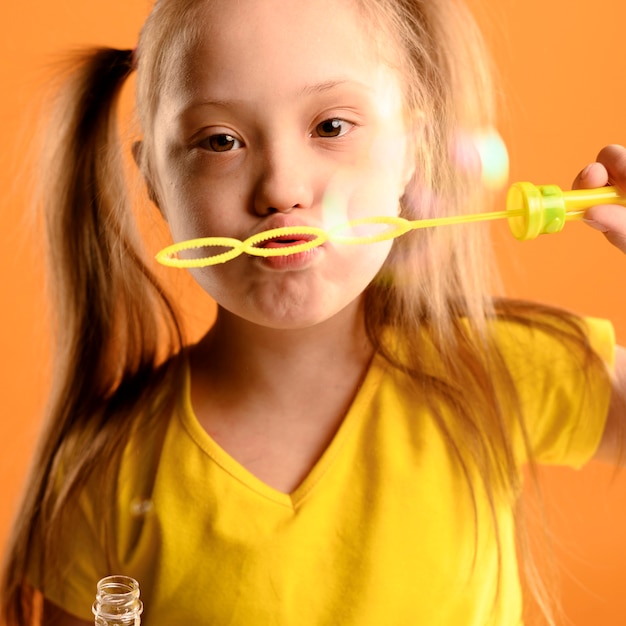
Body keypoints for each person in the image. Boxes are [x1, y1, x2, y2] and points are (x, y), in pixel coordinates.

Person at [1, 0, 625, 624]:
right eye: (221, 141)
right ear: (156, 181)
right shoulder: (106, 472)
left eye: (330, 127)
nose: (281, 187)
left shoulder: (496, 372)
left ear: (415, 148)